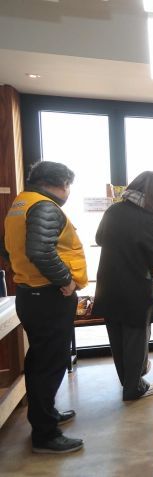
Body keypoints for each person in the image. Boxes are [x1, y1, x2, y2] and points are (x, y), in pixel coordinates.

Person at [2, 161, 87, 454]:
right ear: (59, 183)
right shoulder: (45, 207)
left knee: (40, 359)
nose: (68, 191)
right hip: (48, 295)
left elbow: (7, 247)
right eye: (68, 185)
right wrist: (66, 280)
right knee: (49, 363)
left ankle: (45, 415)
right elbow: (40, 250)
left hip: (30, 293)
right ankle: (45, 434)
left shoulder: (20, 204)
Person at [93, 171, 153, 401]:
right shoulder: (149, 219)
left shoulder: (113, 210)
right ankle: (134, 388)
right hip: (136, 288)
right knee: (136, 338)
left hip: (108, 286)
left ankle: (129, 382)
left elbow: (99, 238)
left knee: (117, 339)